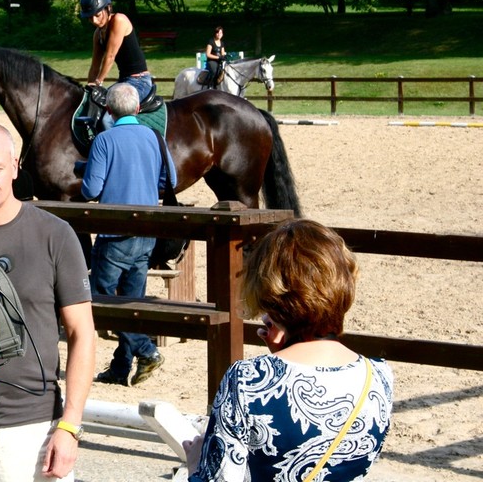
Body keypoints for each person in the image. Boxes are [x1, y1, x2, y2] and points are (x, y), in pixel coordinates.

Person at [183, 219, 394, 482]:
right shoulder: (380, 376)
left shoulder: (246, 379)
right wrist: (284, 351)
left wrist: (194, 465)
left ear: (269, 289)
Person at [0, 122, 95, 481]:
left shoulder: (56, 235)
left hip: (34, 427)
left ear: (16, 167)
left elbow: (83, 333)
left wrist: (69, 427)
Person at [81, 84, 164, 387]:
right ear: (139, 109)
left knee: (100, 299)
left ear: (109, 111)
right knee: (132, 301)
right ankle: (120, 367)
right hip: (148, 232)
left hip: (114, 234)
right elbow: (170, 179)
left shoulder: (104, 140)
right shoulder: (154, 137)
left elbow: (91, 190)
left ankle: (146, 350)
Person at [80, 0, 154, 104]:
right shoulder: (97, 34)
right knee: (95, 105)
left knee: (112, 110)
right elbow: (95, 66)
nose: (94, 20)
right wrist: (89, 92)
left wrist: (98, 83)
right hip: (123, 82)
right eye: (90, 17)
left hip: (139, 81)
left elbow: (110, 56)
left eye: (97, 15)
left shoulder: (119, 20)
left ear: (108, 8)